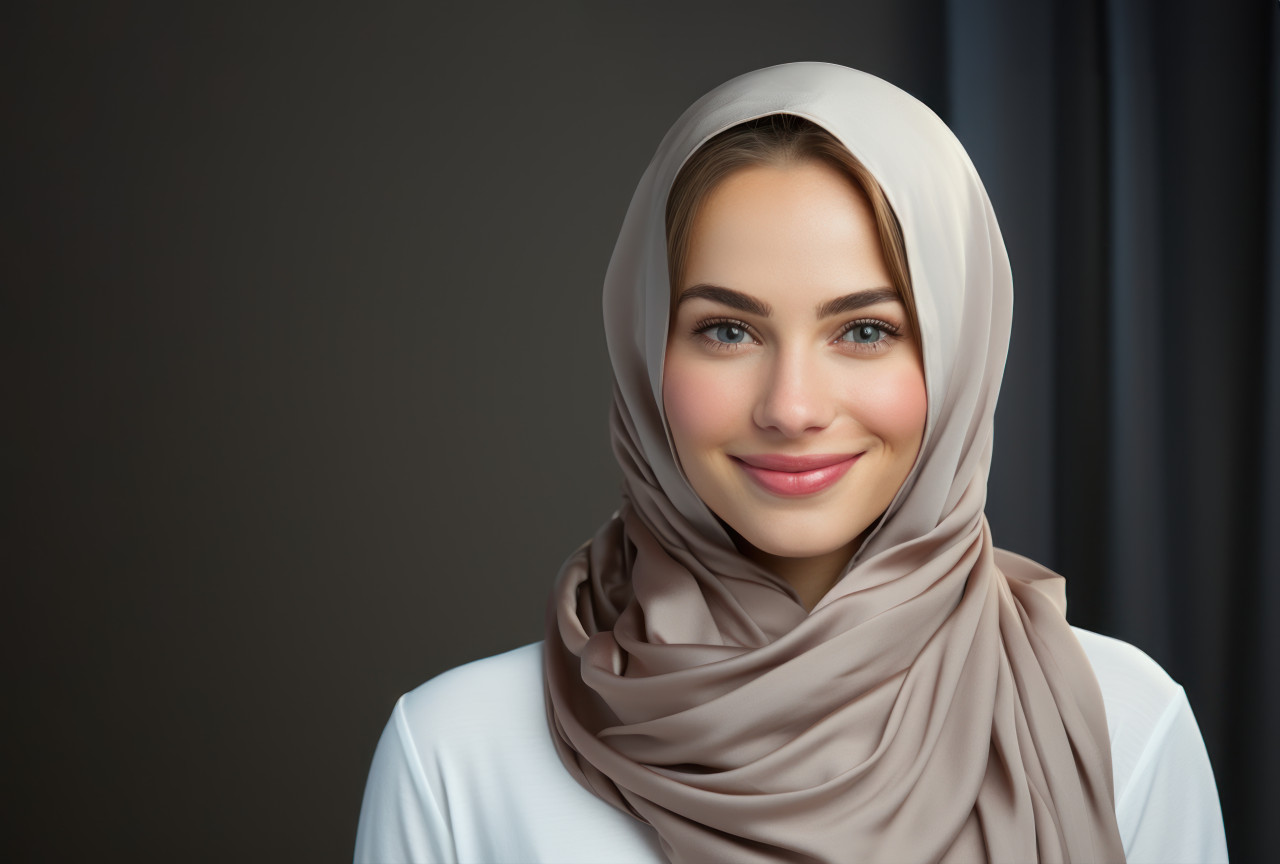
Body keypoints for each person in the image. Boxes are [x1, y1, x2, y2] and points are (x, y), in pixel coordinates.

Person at [355, 63, 1227, 863]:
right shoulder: (455, 758)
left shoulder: (1125, 730)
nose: (792, 406)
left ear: (962, 353)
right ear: (642, 348)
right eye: (727, 330)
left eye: (865, 331)